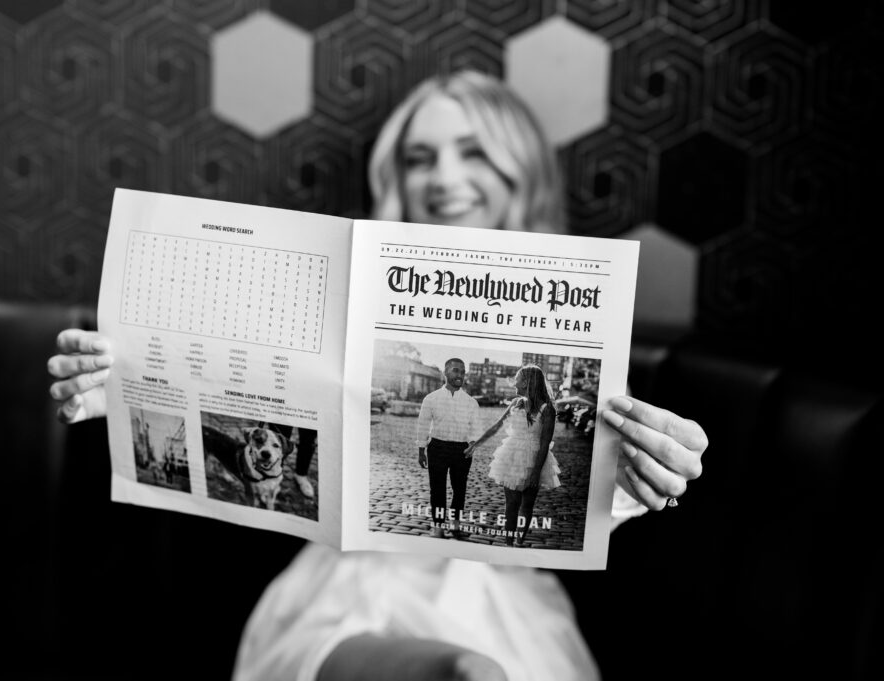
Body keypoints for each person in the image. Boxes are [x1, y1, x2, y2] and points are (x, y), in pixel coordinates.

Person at [48, 70, 708, 681]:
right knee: (462, 671)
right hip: (347, 592)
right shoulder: (336, 297)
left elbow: (562, 475)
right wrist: (125, 377)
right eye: (419, 159)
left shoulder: (579, 329)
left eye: (472, 151)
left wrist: (642, 472)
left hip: (501, 595)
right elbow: (231, 383)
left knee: (480, 669)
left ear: (520, 170)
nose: (442, 177)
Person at [465, 365, 560, 547]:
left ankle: (520, 540)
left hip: (536, 457)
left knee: (527, 505)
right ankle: (509, 543)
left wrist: (535, 471)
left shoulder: (548, 409)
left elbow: (545, 443)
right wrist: (476, 444)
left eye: (516, 379)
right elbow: (496, 426)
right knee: (512, 504)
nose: (513, 383)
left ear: (526, 382)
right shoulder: (516, 403)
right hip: (511, 455)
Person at [416, 358, 480, 539]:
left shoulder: (471, 402)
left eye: (462, 372)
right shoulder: (431, 398)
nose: (460, 375)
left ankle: (455, 525)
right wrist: (421, 449)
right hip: (437, 447)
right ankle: (438, 527)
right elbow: (423, 424)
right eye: (455, 370)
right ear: (446, 373)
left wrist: (472, 446)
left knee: (459, 489)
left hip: (462, 450)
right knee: (437, 489)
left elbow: (476, 429)